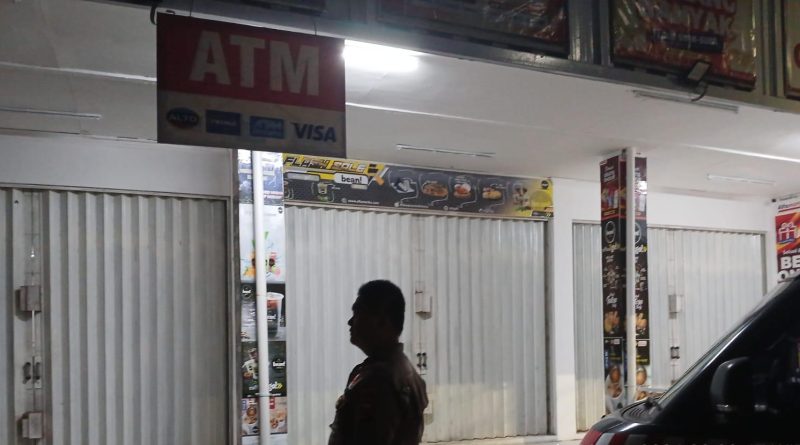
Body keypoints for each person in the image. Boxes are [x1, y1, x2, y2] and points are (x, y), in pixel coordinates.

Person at [329, 280, 428, 445]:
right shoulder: (395, 370)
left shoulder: (380, 380)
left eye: (358, 313)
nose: (350, 321)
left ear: (381, 321)